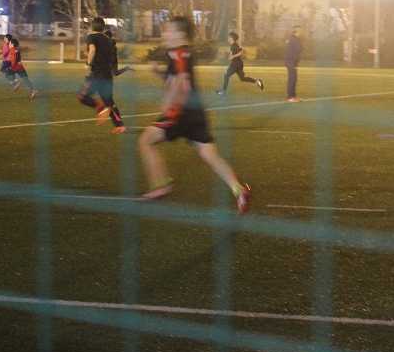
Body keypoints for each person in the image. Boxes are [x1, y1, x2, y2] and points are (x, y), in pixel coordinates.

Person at [137, 17, 251, 213]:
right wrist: (159, 74)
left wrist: (167, 105)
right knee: (209, 154)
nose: (164, 34)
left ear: (180, 34)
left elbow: (181, 81)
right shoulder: (184, 52)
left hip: (179, 113)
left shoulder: (177, 53)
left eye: (168, 30)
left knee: (145, 141)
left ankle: (161, 185)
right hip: (196, 113)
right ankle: (239, 190)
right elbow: (178, 77)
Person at [78, 17, 125, 133]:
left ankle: (102, 108)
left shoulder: (91, 36)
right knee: (109, 100)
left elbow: (93, 50)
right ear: (103, 27)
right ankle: (120, 126)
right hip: (107, 74)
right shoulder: (108, 40)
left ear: (92, 26)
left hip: (96, 74)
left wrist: (88, 63)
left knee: (83, 96)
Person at [216, 31, 263, 95]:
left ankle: (223, 91)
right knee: (242, 78)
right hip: (239, 63)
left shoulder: (234, 45)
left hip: (235, 64)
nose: (228, 38)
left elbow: (241, 52)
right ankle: (257, 81)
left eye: (229, 37)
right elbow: (236, 51)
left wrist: (233, 56)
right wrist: (230, 56)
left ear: (232, 38)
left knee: (226, 75)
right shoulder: (234, 45)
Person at [285, 25, 302, 102]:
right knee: (292, 79)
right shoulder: (293, 39)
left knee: (294, 79)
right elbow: (294, 51)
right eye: (300, 30)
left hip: (292, 62)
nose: (301, 32)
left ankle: (293, 96)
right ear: (296, 31)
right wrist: (294, 63)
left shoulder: (294, 39)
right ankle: (290, 97)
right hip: (291, 62)